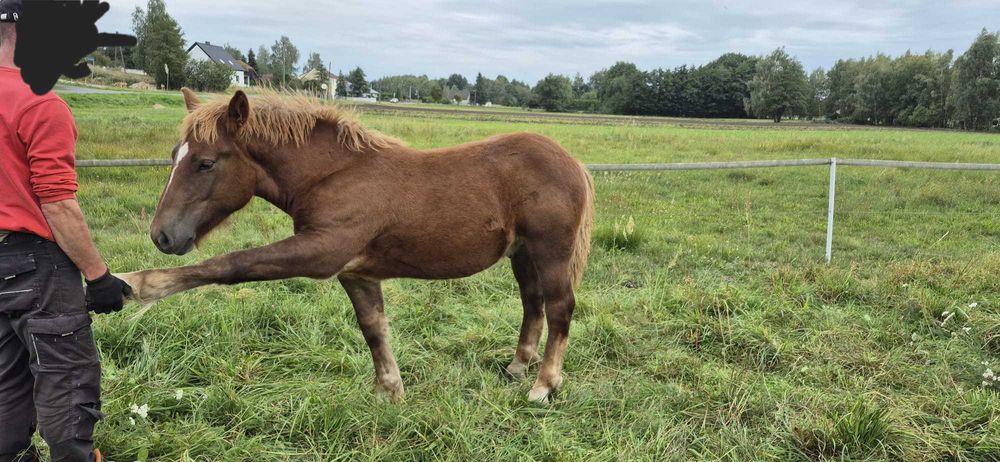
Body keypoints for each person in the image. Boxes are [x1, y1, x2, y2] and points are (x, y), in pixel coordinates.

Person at [0, 0, 132, 460]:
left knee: (4, 379)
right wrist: (98, 278)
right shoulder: (39, 103)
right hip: (34, 264)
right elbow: (57, 203)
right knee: (65, 376)